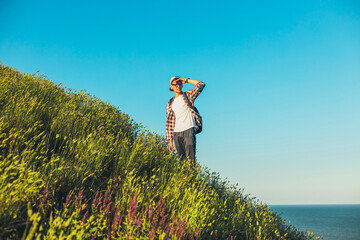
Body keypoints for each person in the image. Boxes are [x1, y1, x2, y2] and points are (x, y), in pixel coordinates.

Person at [166, 76, 206, 164]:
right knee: (181, 161)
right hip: (177, 133)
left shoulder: (188, 96)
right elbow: (169, 122)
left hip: (189, 129)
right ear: (171, 87)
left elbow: (201, 85)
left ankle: (191, 177)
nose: (178, 86)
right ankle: (184, 177)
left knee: (190, 159)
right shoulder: (170, 103)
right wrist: (170, 141)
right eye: (175, 84)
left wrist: (186, 80)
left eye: (179, 84)